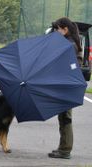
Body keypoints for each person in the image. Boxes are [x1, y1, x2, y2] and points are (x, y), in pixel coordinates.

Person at [48, 17, 82, 159]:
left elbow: (67, 67)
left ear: (65, 29)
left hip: (67, 87)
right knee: (63, 117)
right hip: (66, 86)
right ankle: (62, 148)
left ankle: (65, 150)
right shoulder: (70, 43)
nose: (56, 31)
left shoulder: (69, 45)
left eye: (58, 29)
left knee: (66, 118)